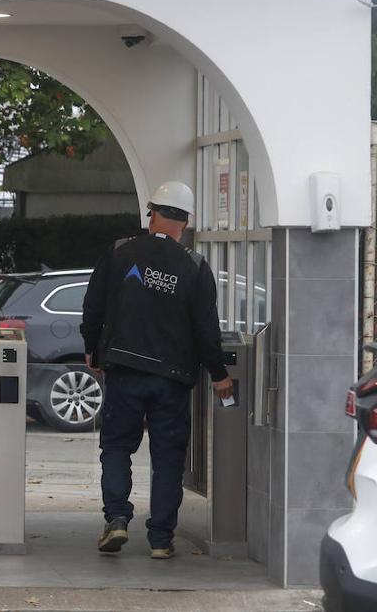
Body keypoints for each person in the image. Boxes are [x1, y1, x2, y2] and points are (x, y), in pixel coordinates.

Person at [80, 181, 234, 560]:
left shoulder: (119, 252)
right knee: (167, 457)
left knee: (116, 446)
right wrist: (219, 375)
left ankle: (116, 518)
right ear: (185, 222)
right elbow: (206, 330)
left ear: (153, 215)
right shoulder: (195, 266)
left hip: (125, 370)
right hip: (172, 378)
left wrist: (92, 352)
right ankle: (161, 539)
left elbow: (92, 307)